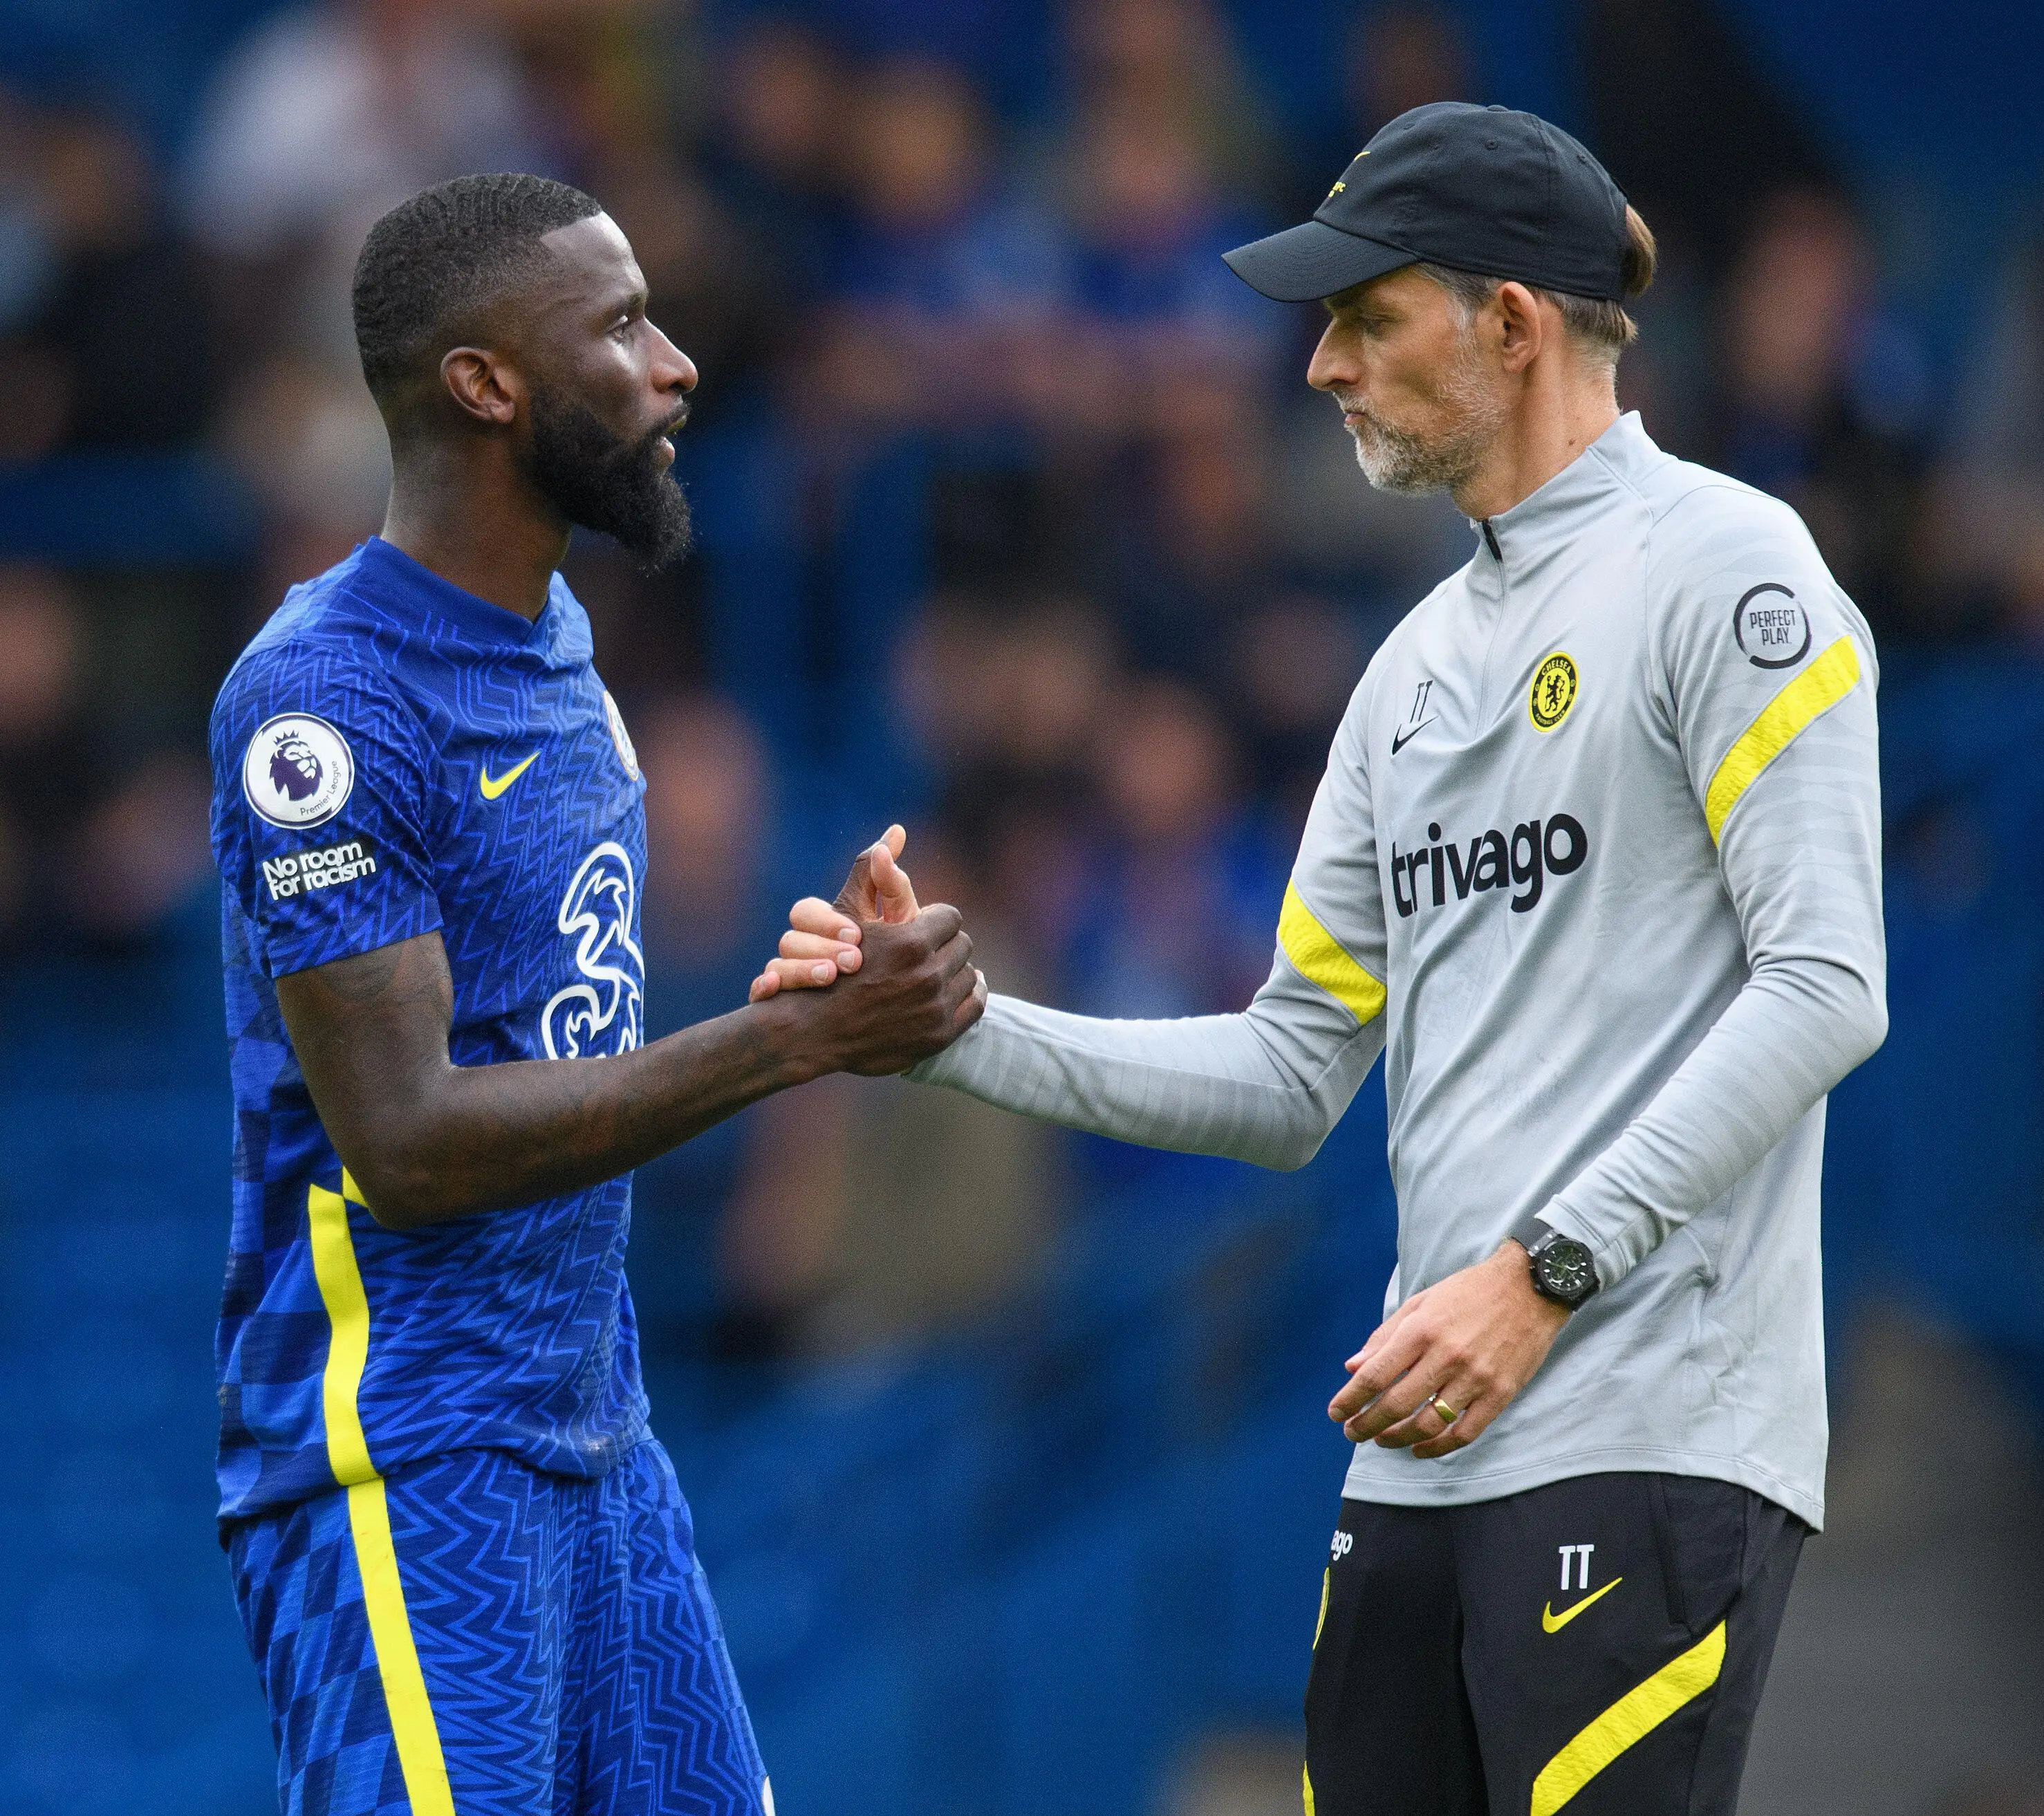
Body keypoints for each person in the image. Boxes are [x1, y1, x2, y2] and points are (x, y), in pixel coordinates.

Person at [764, 103, 1886, 1815]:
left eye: (1367, 317)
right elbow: (1290, 1071)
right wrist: (951, 1031)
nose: (1319, 368)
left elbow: (1824, 983)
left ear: (1509, 323)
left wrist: (1539, 1273)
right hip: (1418, 1463)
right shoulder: (1408, 670)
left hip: (1652, 1427)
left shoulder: (1731, 566)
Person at [206, 172, 985, 1816]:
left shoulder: (561, 636)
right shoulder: (322, 703)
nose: (677, 362)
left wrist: (808, 983)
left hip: (598, 1441)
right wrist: (790, 1042)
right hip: (401, 1460)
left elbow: (567, 1027)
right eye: (622, 324)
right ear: (485, 383)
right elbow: (407, 1139)